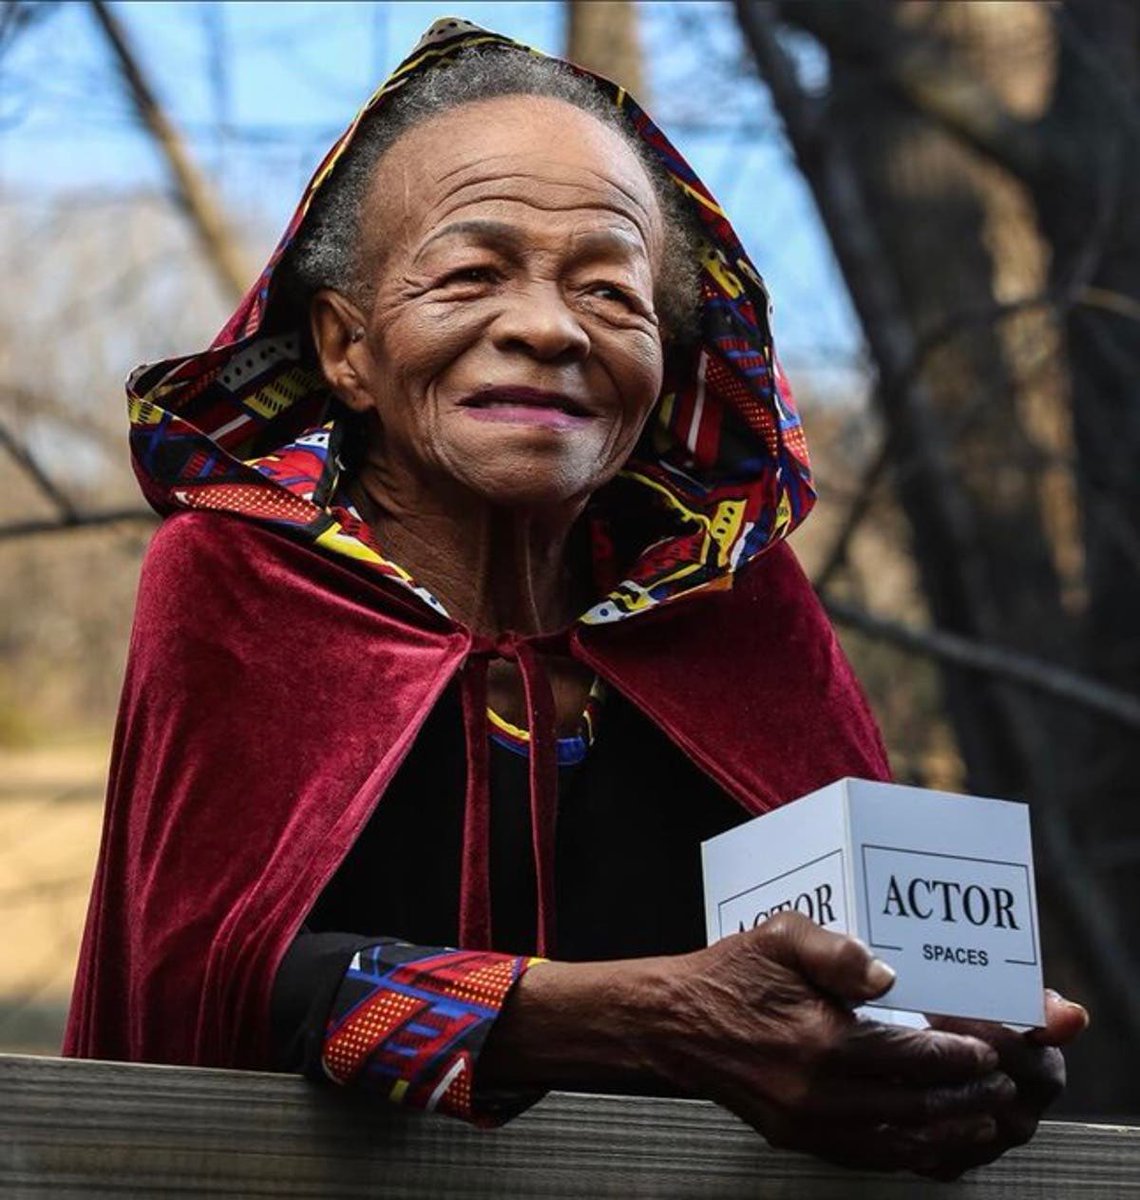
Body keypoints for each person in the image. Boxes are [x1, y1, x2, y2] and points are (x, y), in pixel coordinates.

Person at [65, 18, 1085, 1178]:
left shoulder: (738, 612)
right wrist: (645, 1016)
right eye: (470, 274)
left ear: (665, 369)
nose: (548, 328)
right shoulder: (241, 577)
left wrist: (953, 1055)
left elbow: (879, 970)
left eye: (611, 292)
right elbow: (204, 985)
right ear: (346, 348)